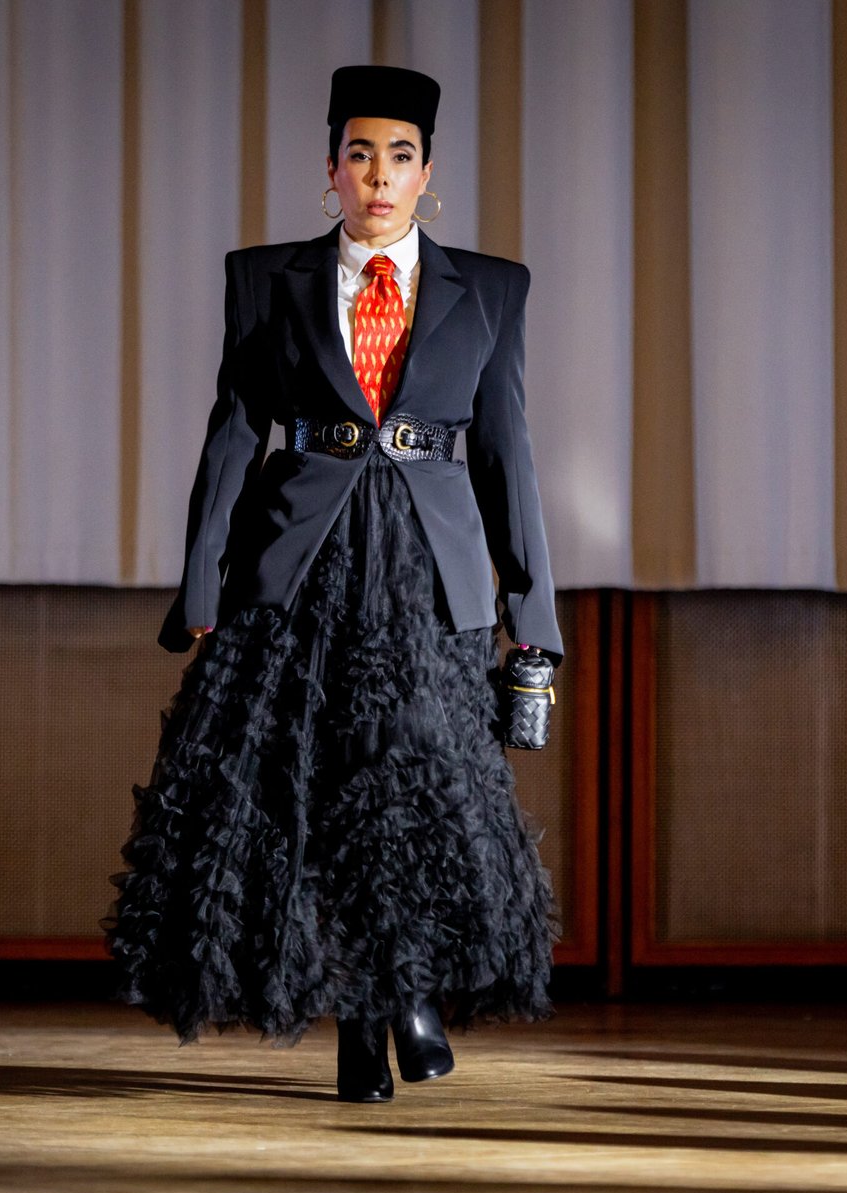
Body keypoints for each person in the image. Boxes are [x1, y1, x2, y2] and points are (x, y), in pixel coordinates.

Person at [105, 64, 564, 1103]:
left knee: (413, 785)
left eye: (400, 156)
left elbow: (509, 459)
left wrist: (533, 625)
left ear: (427, 173)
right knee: (315, 792)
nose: (379, 176)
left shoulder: (492, 289)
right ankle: (366, 1027)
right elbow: (233, 437)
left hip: (431, 572)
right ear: (330, 168)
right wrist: (201, 585)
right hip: (300, 565)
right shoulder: (266, 279)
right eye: (361, 154)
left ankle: (406, 998)